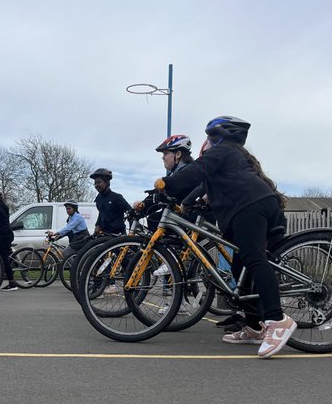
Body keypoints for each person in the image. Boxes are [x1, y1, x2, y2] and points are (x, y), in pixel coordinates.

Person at [162, 115, 296, 358]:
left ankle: (277, 320)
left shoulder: (224, 150)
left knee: (255, 259)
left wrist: (166, 183)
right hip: (247, 207)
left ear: (218, 137)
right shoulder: (233, 158)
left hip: (250, 206)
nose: (207, 143)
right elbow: (208, 186)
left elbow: (197, 170)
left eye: (209, 138)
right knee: (239, 268)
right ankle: (255, 325)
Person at [90, 169, 131, 235]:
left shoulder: (117, 197)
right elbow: (101, 214)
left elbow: (131, 213)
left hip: (118, 235)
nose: (96, 185)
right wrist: (97, 225)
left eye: (99, 182)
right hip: (104, 234)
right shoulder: (98, 199)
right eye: (95, 183)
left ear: (107, 182)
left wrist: (132, 232)